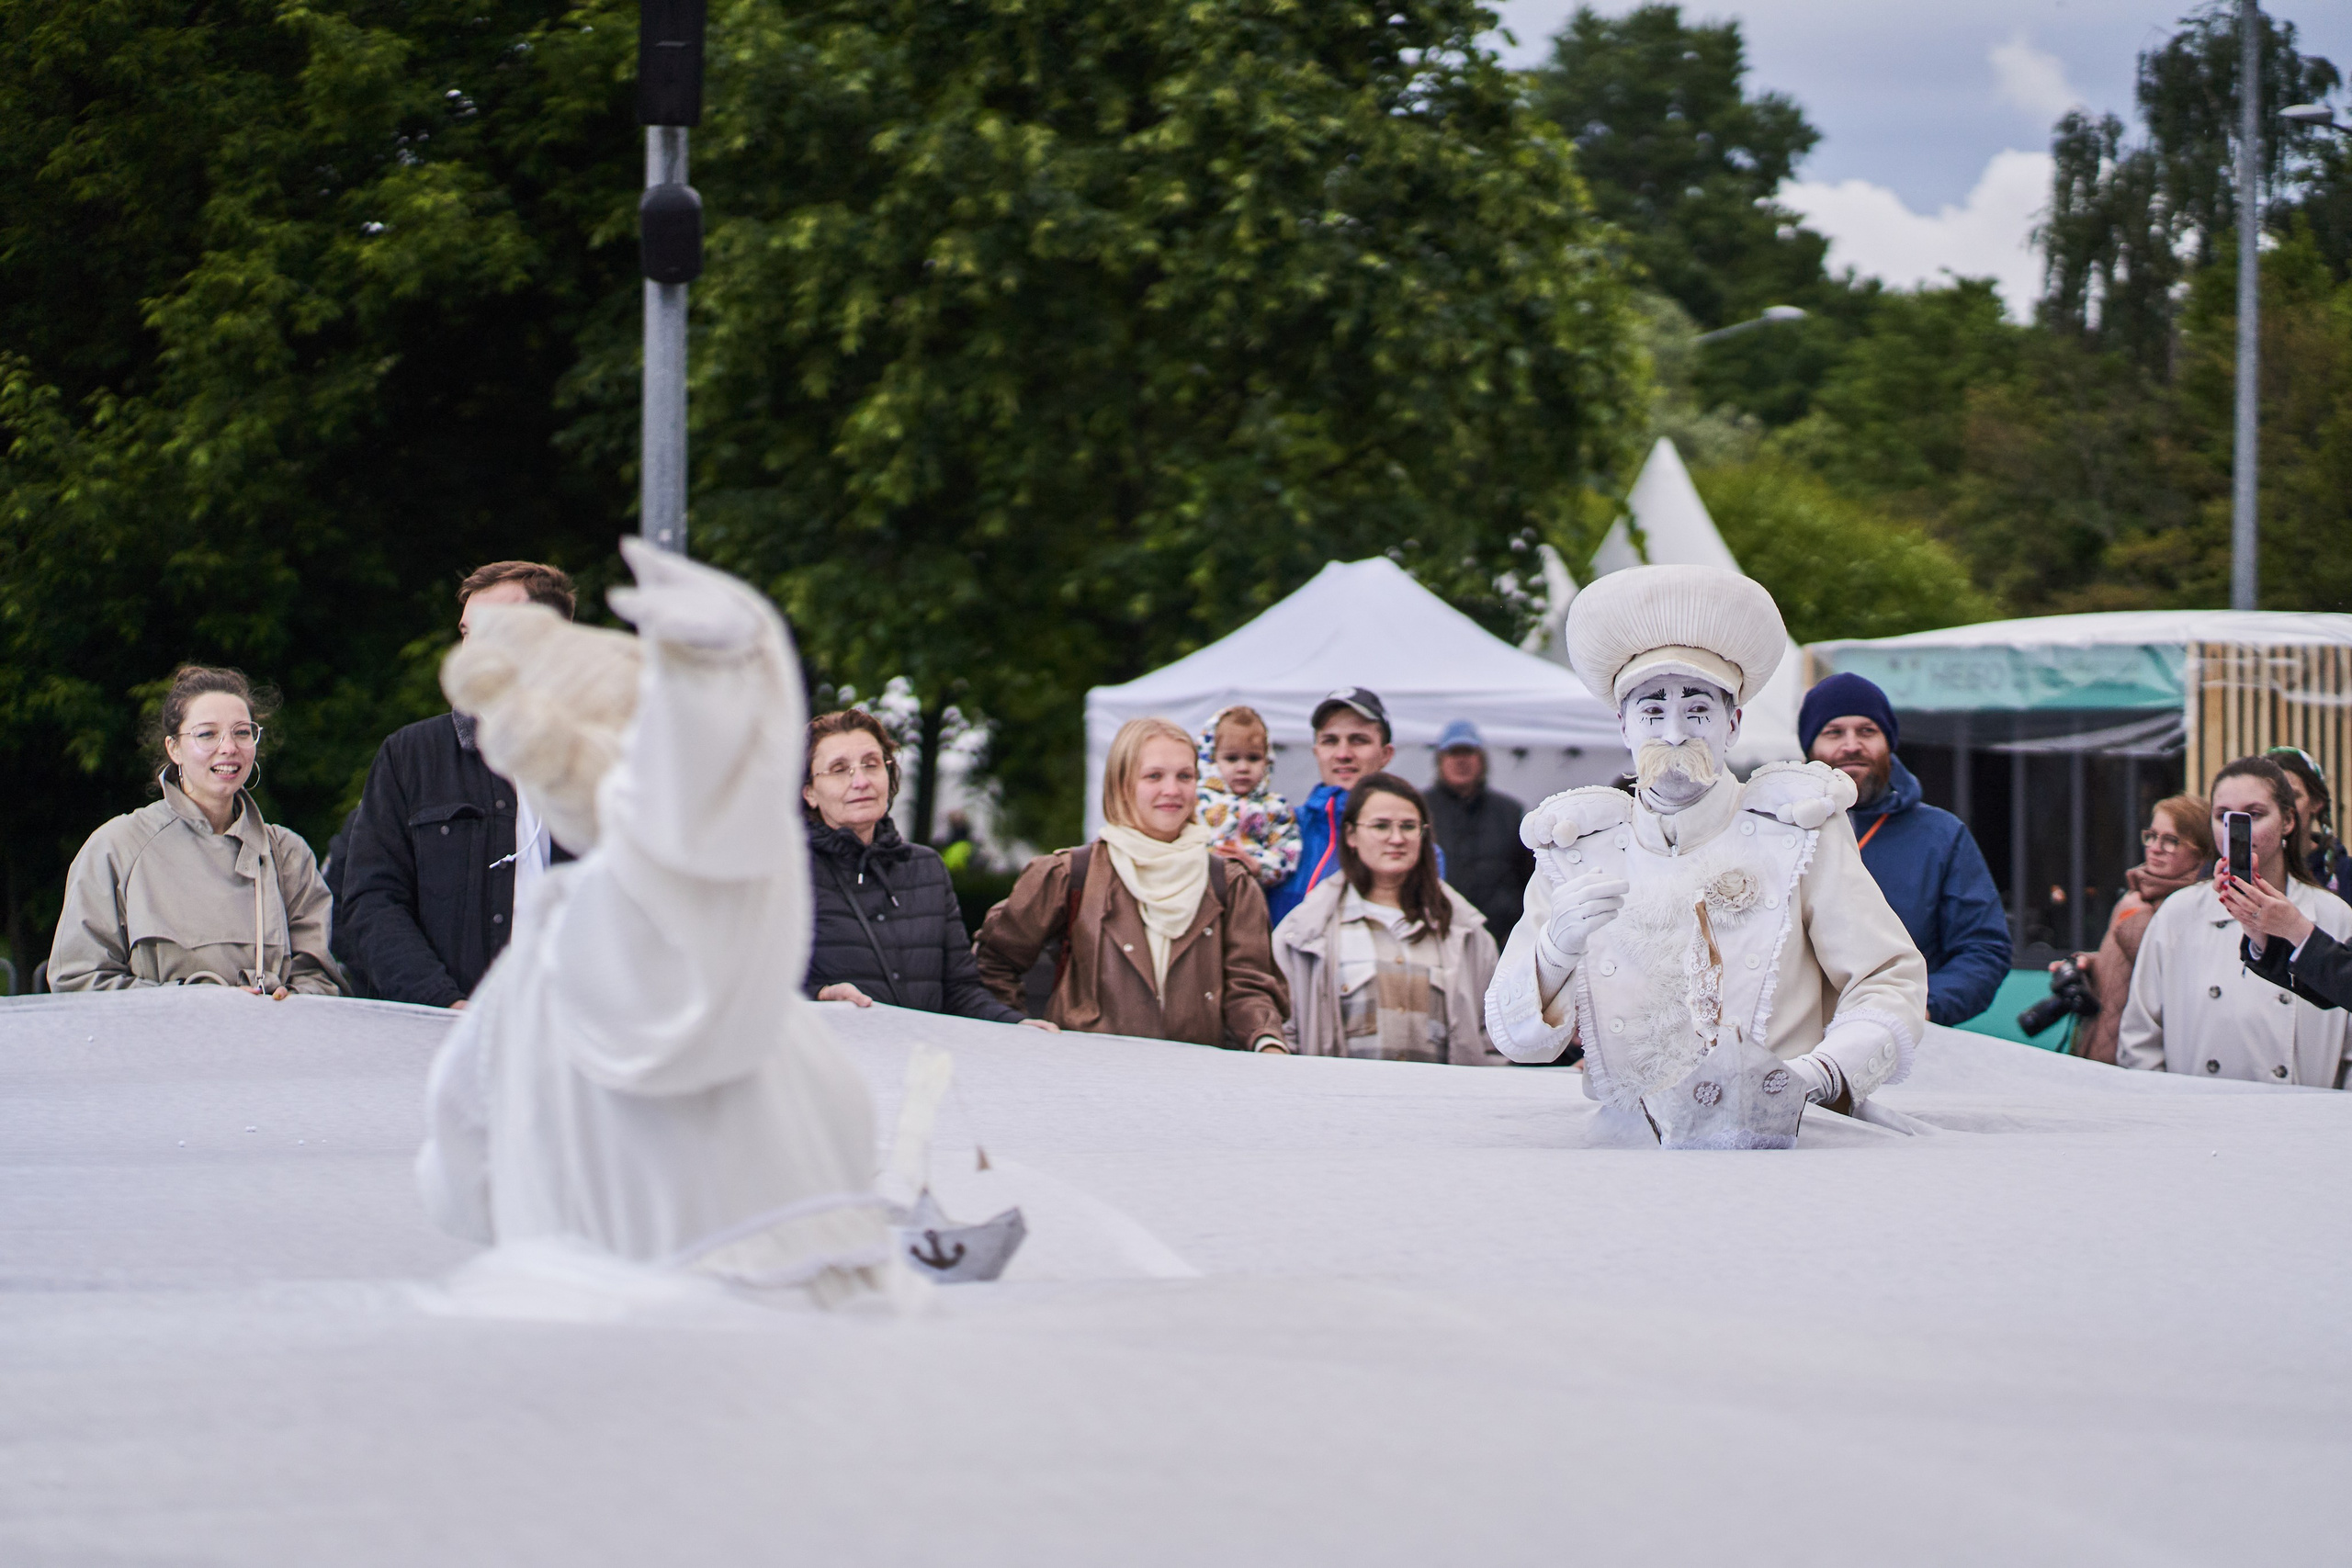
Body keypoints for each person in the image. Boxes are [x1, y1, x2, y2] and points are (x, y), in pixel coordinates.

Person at [417, 541, 902, 1303]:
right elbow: (851, 1172)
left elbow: (458, 1176)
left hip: (595, 1351)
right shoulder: (794, 1039)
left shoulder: (545, 965)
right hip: (769, 1371)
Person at [1485, 565, 1928, 1145]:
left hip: (1782, 1150)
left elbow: (1888, 979)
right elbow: (1518, 1039)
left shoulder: (1798, 830)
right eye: (1651, 712)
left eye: (1697, 711)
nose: (1673, 734)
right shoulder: (1576, 848)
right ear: (1623, 726)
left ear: (1733, 723)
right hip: (1624, 1159)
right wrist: (1551, 953)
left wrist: (1815, 1077)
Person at [334, 561, 577, 1009]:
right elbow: (372, 902)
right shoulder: (411, 756)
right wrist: (443, 1003)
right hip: (441, 1034)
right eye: (467, 632)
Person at [975, 716, 1289, 1049]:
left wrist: (1266, 1041)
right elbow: (992, 963)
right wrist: (1015, 1031)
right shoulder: (1069, 873)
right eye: (1154, 776)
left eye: (1185, 776)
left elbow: (1251, 988)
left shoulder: (1231, 884)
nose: (1172, 790)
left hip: (1192, 1090)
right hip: (1084, 1086)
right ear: (1122, 783)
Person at [50, 666, 342, 997]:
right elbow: (79, 981)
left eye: (242, 733)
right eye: (207, 734)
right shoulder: (117, 846)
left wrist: (288, 1002)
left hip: (265, 1047)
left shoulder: (288, 854)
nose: (229, 747)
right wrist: (198, 1002)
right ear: (174, 749)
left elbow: (318, 984)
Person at [800, 709, 1051, 1030]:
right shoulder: (786, 875)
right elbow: (754, 989)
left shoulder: (927, 868)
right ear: (809, 792)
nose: (860, 781)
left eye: (871, 764)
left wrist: (1016, 1027)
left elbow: (960, 992)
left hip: (919, 1072)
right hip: (836, 1070)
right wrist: (819, 996)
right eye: (839, 769)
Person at [2117, 757, 2352, 1088]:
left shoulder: (2334, 915)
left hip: (2301, 1123)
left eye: (2253, 815)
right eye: (2222, 816)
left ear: (2288, 821)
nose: (2236, 828)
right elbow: (2140, 1036)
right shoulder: (2179, 912)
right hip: (2199, 1119)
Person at [1799, 671, 2010, 1027]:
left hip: (1901, 1045)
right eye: (1834, 732)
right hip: (1796, 1046)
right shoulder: (1776, 830)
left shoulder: (1942, 835)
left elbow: (1983, 950)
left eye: (1867, 731)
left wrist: (1919, 1008)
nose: (1852, 745)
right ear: (1810, 747)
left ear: (1889, 743)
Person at [1271, 773, 1499, 1064]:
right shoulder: (1302, 932)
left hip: (1443, 1107)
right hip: (1341, 1106)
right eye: (1380, 826)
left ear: (1424, 835)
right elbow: (1283, 1038)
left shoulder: (1467, 932)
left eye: (1408, 826)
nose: (1396, 838)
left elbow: (1495, 1041)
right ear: (1351, 835)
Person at [2058, 795, 2211, 1064]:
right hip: (2100, 1044)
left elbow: (2170, 973)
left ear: (2200, 852)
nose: (2155, 847)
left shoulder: (2195, 905)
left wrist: (2133, 917)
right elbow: (2126, 969)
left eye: (2171, 840)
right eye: (2151, 836)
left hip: (2140, 1060)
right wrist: (2091, 965)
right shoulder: (2138, 897)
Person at [1267, 689, 1394, 926]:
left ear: (1386, 754)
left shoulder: (1408, 841)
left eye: (1359, 740)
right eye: (1330, 741)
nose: (1343, 754)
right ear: (1317, 752)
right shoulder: (1279, 830)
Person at [1424, 718, 1535, 939]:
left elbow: (1531, 880)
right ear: (1440, 761)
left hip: (1501, 939)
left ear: (1482, 760)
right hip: (1437, 934)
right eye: (1453, 753)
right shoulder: (1420, 810)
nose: (1461, 761)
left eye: (1468, 752)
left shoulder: (1510, 812)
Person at [1193, 705, 1301, 889]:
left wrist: (1259, 866)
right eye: (1231, 758)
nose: (1243, 768)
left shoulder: (1275, 807)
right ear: (1211, 759)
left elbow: (1287, 851)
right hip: (1200, 889)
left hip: (1249, 892)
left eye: (1253, 758)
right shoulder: (1196, 801)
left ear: (1267, 760)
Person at [2266, 747, 2349, 897]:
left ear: (2316, 802)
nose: (2282, 807)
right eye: (2271, 797)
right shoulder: (2233, 870)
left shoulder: (2345, 874)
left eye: (2292, 796)